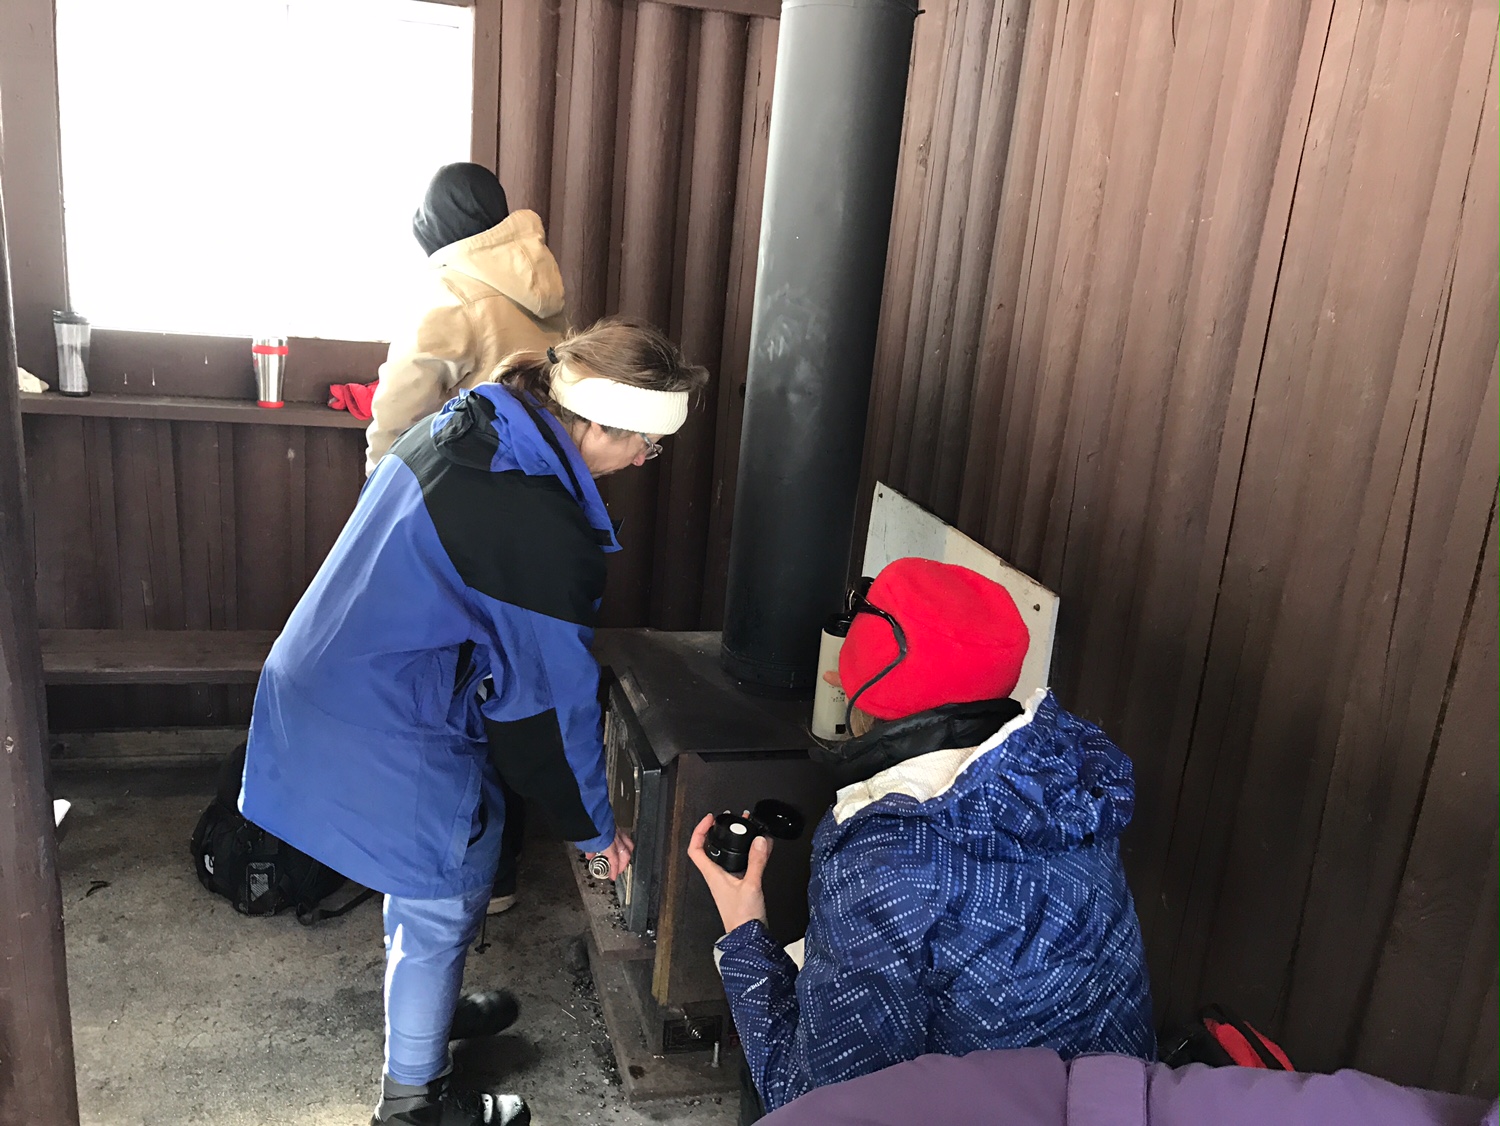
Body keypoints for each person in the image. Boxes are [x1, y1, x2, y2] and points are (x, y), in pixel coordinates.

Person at [242, 317, 708, 1126]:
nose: (643, 461)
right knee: (443, 887)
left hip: (336, 668)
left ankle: (423, 1016)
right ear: (598, 424)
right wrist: (595, 830)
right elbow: (546, 709)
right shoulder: (536, 525)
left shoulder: (483, 420)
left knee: (431, 875)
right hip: (382, 711)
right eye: (646, 444)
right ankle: (413, 1102)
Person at [688, 557, 1155, 1113]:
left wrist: (743, 928)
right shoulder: (1063, 782)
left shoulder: (892, 859)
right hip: (1119, 1104)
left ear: (856, 688)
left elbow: (816, 1105)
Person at [368, 161, 571, 918]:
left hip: (456, 526)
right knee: (506, 687)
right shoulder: (544, 291)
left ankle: (450, 867)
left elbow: (398, 414)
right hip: (534, 524)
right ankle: (504, 872)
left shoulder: (454, 293)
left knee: (446, 695)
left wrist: (378, 494)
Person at [366, 162, 568, 475]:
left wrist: (380, 477)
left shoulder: (450, 292)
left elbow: (400, 405)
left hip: (463, 477)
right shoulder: (542, 283)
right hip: (540, 473)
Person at [756, 1046, 1499, 1126]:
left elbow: (820, 1074)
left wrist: (742, 938)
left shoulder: (876, 857)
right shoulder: (1084, 788)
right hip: (1094, 1087)